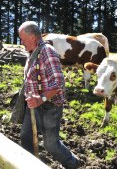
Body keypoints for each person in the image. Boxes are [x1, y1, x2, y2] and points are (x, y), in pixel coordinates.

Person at [18, 21, 80, 169]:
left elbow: (57, 83)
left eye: (23, 38)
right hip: (32, 104)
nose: (21, 42)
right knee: (26, 138)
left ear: (32, 37)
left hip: (49, 106)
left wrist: (41, 98)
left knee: (51, 145)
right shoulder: (33, 52)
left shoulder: (47, 52)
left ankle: (72, 163)